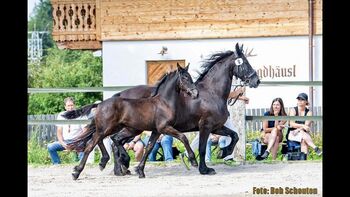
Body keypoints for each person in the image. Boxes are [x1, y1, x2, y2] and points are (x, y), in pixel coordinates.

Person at [182, 86, 249, 161]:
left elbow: (225, 96)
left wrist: (240, 97)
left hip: (222, 114)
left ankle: (228, 158)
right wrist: (237, 92)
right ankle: (187, 154)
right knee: (203, 136)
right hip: (215, 114)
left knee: (232, 133)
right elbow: (222, 94)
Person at [47, 97, 93, 164]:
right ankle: (57, 164)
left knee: (83, 145)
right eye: (68, 106)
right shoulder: (61, 115)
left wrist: (78, 142)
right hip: (66, 142)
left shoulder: (80, 115)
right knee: (50, 146)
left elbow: (85, 132)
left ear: (74, 105)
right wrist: (63, 144)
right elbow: (59, 132)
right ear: (65, 107)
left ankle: (81, 164)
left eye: (72, 105)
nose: (70, 107)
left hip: (78, 141)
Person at [286, 93, 322, 159]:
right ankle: (314, 147)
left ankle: (304, 161)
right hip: (292, 134)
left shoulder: (309, 113)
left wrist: (298, 129)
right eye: (299, 99)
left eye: (302, 99)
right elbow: (292, 124)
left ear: (306, 101)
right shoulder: (293, 110)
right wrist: (302, 126)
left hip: (302, 133)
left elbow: (306, 126)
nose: (300, 101)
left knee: (303, 140)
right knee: (303, 134)